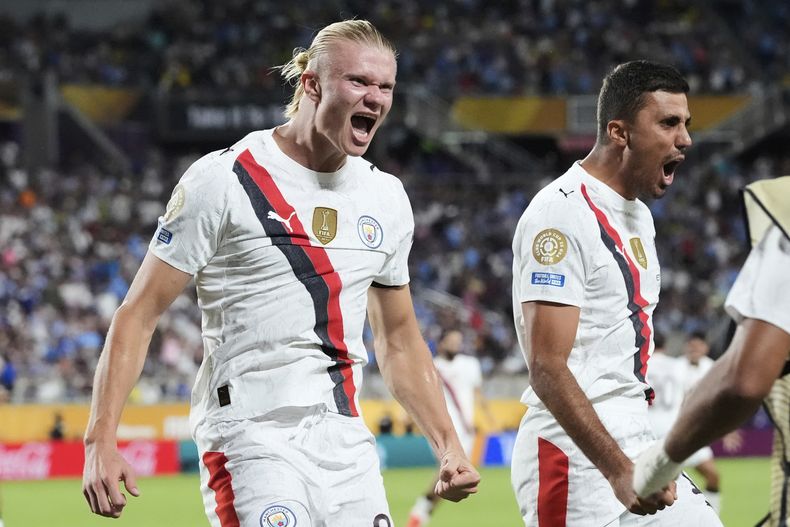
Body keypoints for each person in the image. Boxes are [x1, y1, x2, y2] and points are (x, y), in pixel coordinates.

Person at [82, 19, 479, 526]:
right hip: (249, 434)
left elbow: (399, 339)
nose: (375, 98)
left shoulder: (387, 197)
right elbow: (137, 315)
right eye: (358, 82)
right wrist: (100, 439)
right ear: (311, 83)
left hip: (344, 438)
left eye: (386, 87)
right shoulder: (224, 179)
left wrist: (448, 446)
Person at [510, 60, 722, 526]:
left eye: (686, 124)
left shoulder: (638, 215)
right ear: (619, 132)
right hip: (574, 453)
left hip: (635, 435)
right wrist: (617, 469)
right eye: (669, 123)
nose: (685, 139)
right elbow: (546, 365)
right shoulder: (560, 214)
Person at [634, 176, 790, 526]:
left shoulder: (784, 219)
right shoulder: (676, 366)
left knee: (700, 480)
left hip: (671, 429)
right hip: (668, 424)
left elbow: (741, 380)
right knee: (707, 480)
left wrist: (660, 462)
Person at [407, 329, 496, 526]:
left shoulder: (470, 364)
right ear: (441, 343)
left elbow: (477, 392)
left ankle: (422, 513)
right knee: (450, 473)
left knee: (454, 478)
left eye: (458, 340)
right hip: (443, 429)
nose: (455, 344)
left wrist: (488, 417)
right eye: (451, 341)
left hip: (467, 429)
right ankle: (420, 511)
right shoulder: (433, 366)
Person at [647, 333, 731, 513]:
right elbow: (692, 394)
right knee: (712, 476)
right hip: (677, 432)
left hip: (650, 432)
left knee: (657, 488)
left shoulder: (644, 366)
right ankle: (712, 517)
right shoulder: (676, 366)